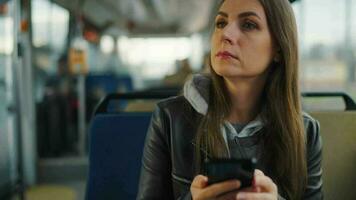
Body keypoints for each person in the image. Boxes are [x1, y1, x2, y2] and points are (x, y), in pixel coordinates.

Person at [137, 0, 322, 199]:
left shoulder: (306, 132)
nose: (226, 34)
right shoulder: (169, 118)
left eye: (249, 25)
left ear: (279, 47)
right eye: (220, 23)